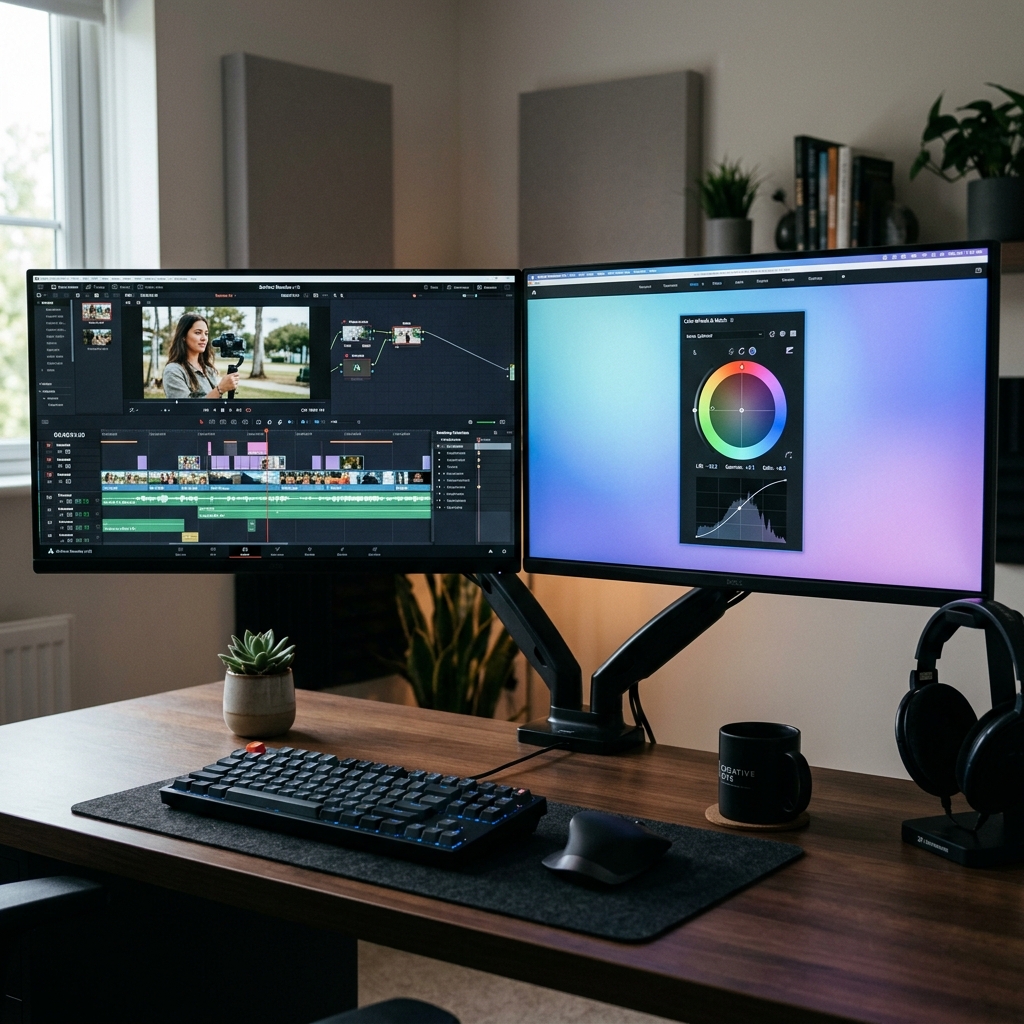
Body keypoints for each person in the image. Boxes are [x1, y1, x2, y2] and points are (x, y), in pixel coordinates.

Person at [162, 313, 239, 399]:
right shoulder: (174, 371)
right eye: (198, 333)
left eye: (206, 333)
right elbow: (185, 406)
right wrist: (220, 389)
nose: (204, 338)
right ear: (183, 336)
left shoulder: (208, 369)